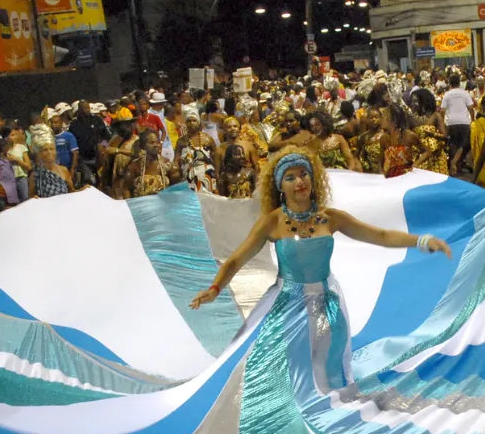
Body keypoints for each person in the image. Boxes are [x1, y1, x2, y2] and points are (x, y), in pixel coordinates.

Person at [187, 148, 451, 369]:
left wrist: (422, 241)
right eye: (290, 177)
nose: (299, 181)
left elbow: (380, 235)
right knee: (284, 371)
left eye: (303, 174)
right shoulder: (271, 222)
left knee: (328, 370)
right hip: (285, 307)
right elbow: (235, 260)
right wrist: (214, 289)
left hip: (327, 305)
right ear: (280, 186)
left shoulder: (331, 218)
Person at [118, 131, 178, 199]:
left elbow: (177, 185)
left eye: (157, 142)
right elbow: (126, 189)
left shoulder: (167, 163)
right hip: (141, 206)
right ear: (143, 146)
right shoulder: (136, 165)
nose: (156, 145)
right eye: (152, 143)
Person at [176, 109, 218, 193]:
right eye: (189, 121)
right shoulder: (181, 141)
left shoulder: (207, 138)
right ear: (185, 123)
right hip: (189, 175)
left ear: (198, 122)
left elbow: (215, 156)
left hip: (207, 175)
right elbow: (176, 158)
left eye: (194, 120)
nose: (192, 123)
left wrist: (217, 172)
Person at [69, 100, 110, 187]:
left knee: (103, 181)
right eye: (84, 108)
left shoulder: (97, 120)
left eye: (88, 108)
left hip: (99, 158)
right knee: (91, 181)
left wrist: (103, 147)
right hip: (84, 160)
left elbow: (106, 136)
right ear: (79, 110)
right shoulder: (74, 125)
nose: (87, 110)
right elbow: (72, 142)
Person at [441, 73, 474, 175]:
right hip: (464, 122)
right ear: (459, 83)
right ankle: (459, 163)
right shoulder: (465, 93)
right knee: (464, 145)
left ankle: (454, 165)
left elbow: (442, 110)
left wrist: (443, 123)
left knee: (453, 144)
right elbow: (471, 108)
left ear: (450, 83)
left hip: (451, 122)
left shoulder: (447, 94)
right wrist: (472, 120)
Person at [410, 88, 448, 175]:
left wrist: (433, 135)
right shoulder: (411, 118)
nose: (412, 104)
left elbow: (445, 137)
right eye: (411, 101)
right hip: (419, 157)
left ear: (423, 101)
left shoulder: (435, 116)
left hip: (435, 158)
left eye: (415, 101)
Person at [381, 104, 421, 179]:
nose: (381, 119)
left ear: (392, 120)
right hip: (389, 178)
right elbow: (380, 162)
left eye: (383, 116)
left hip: (406, 177)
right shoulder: (383, 138)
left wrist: (415, 164)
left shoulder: (408, 135)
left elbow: (427, 151)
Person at [51, 115, 79, 181]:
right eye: (52, 123)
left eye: (55, 122)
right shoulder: (50, 137)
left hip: (67, 169)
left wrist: (72, 170)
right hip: (54, 170)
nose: (53, 125)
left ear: (61, 123)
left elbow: (75, 154)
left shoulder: (68, 136)